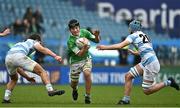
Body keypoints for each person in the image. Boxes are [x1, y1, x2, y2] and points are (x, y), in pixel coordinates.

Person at [97, 20, 179, 105]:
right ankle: (126, 100)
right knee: (128, 76)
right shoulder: (145, 35)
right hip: (148, 61)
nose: (129, 28)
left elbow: (120, 46)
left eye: (129, 27)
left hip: (150, 64)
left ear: (132, 28)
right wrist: (134, 53)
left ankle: (169, 82)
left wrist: (104, 47)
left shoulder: (132, 36)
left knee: (147, 90)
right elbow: (147, 50)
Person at [2, 34, 65, 103]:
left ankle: (6, 98)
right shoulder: (33, 42)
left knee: (14, 79)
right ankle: (50, 90)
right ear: (37, 40)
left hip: (8, 58)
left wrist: (27, 77)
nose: (40, 44)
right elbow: (42, 49)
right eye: (40, 42)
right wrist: (55, 56)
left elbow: (17, 67)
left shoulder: (19, 44)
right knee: (42, 72)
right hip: (19, 55)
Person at [67, 19, 100, 104]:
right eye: (73, 29)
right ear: (70, 30)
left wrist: (96, 36)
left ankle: (87, 96)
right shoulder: (70, 41)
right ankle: (75, 89)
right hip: (75, 62)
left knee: (87, 73)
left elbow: (97, 41)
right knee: (73, 84)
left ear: (79, 27)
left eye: (76, 28)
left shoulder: (84, 32)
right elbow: (79, 54)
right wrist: (85, 47)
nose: (75, 30)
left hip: (86, 59)